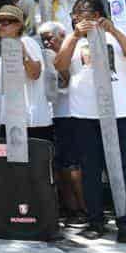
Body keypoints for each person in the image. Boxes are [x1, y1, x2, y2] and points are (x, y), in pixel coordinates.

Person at [54, 0, 126, 243]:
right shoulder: (72, 39)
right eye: (75, 14)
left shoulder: (115, 36)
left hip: (120, 112)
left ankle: (124, 221)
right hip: (84, 113)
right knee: (90, 168)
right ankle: (95, 220)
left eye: (83, 13)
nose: (78, 18)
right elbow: (59, 65)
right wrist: (73, 37)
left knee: (120, 167)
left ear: (97, 15)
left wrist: (113, 30)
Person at [39, 21, 86, 223]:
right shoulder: (45, 56)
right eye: (44, 39)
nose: (47, 42)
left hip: (74, 114)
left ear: (63, 35)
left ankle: (85, 209)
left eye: (51, 37)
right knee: (60, 166)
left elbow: (67, 80)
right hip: (54, 115)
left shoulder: (77, 51)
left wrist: (57, 62)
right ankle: (70, 209)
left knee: (73, 166)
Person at [0, 5, 49, 141]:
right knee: (5, 160)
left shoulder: (27, 42)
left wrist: (24, 56)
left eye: (5, 22)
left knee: (32, 162)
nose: (0, 25)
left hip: (29, 122)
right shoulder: (6, 46)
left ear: (18, 25)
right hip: (9, 120)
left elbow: (35, 74)